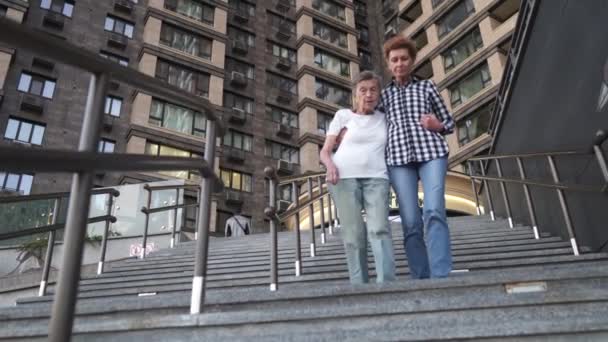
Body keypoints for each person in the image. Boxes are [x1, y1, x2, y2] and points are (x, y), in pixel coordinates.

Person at [381, 35, 455, 279]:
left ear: (412, 61)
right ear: (389, 64)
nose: (399, 63)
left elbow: (449, 122)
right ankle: (421, 277)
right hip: (399, 160)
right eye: (395, 60)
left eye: (404, 59)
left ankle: (441, 274)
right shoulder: (383, 96)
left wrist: (438, 125)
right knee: (410, 221)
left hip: (431, 153)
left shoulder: (427, 87)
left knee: (434, 210)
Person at [320, 71, 395, 285]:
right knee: (353, 235)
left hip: (377, 178)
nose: (368, 94)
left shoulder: (385, 117)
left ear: (379, 94)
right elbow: (325, 151)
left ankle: (386, 284)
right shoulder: (343, 116)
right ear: (355, 94)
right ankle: (359, 286)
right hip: (343, 179)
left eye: (373, 90)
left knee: (379, 229)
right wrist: (330, 165)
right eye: (363, 90)